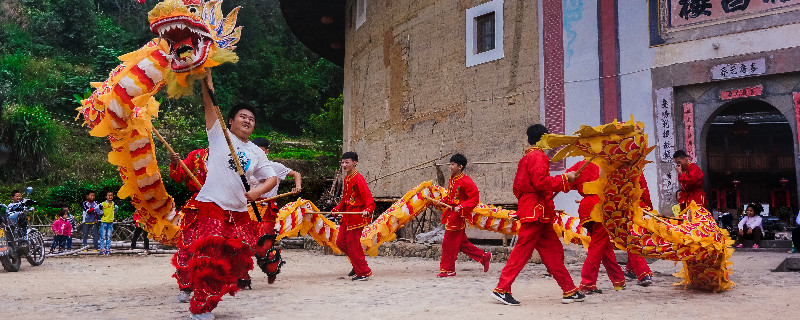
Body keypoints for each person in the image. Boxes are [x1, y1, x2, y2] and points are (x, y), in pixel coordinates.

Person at [179, 71, 278, 320]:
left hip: (239, 212)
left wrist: (256, 192)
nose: (247, 121)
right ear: (231, 121)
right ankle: (199, 308)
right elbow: (209, 101)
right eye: (242, 117)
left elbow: (272, 178)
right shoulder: (219, 135)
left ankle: (208, 296)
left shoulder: (256, 151)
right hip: (212, 205)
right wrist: (206, 74)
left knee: (238, 260)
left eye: (252, 119)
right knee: (210, 257)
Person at [491, 124, 584, 306]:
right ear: (543, 138)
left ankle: (569, 290)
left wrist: (522, 209)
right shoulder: (538, 156)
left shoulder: (526, 159)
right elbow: (540, 183)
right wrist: (565, 179)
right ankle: (502, 288)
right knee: (522, 251)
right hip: (537, 212)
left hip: (538, 212)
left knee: (553, 252)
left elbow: (518, 188)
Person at [566, 160, 626, 294]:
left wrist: (582, 186)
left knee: (603, 246)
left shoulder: (581, 164)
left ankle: (618, 280)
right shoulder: (608, 163)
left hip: (586, 206)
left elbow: (567, 180)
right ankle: (587, 282)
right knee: (598, 245)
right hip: (600, 207)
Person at [437, 153, 491, 277]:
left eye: (452, 164)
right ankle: (483, 257)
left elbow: (474, 198)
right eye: (450, 164)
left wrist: (461, 207)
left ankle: (448, 269)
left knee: (448, 242)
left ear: (460, 166)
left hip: (458, 216)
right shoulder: (452, 179)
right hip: (451, 213)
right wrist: (443, 202)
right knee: (461, 243)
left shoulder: (466, 181)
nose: (450, 167)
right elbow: (451, 197)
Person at [168, 147, 209, 301]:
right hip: (196, 206)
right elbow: (178, 176)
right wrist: (175, 163)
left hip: (220, 206)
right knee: (187, 247)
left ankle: (206, 289)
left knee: (212, 249)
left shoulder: (232, 155)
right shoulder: (196, 155)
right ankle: (185, 286)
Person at [332, 151, 375, 281]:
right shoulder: (347, 178)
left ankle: (363, 272)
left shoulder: (358, 178)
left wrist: (368, 209)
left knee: (353, 245)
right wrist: (337, 209)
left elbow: (369, 199)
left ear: (355, 163)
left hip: (357, 216)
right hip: (347, 215)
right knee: (340, 242)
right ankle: (357, 265)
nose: (344, 165)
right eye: (343, 162)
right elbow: (345, 201)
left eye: (347, 162)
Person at [623, 174, 653, 286]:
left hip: (627, 209)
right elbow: (645, 191)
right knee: (634, 238)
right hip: (639, 208)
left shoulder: (616, 169)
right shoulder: (636, 170)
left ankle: (644, 274)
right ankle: (630, 270)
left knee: (631, 240)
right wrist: (649, 208)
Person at [99, 191, 118, 256]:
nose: (110, 197)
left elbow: (116, 208)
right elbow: (96, 208)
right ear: (106, 197)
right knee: (102, 236)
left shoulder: (113, 204)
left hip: (110, 222)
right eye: (108, 195)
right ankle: (101, 249)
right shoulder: (103, 204)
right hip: (104, 221)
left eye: (111, 195)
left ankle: (108, 249)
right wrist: (101, 213)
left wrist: (112, 213)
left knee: (109, 236)